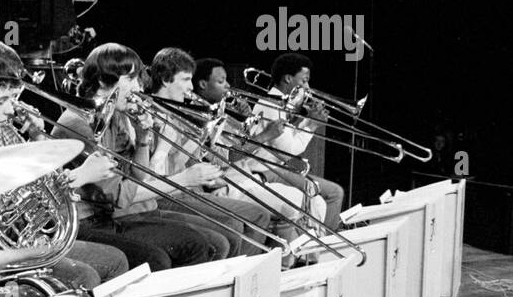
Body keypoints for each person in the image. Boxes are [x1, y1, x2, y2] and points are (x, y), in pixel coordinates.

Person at [0, 45, 126, 297]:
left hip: (18, 243)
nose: (11, 108)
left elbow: (36, 183)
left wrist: (38, 136)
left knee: (114, 262)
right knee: (85, 277)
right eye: (2, 101)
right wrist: (79, 176)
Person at [54, 43, 220, 268]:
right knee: (166, 255)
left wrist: (143, 138)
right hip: (86, 222)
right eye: (130, 79)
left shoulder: (116, 116)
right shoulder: (77, 122)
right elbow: (120, 195)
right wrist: (184, 180)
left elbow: (137, 177)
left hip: (108, 216)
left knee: (209, 242)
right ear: (104, 81)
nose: (138, 88)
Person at [146, 47, 273, 256]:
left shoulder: (182, 112)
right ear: (167, 80)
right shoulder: (152, 113)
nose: (190, 87)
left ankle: (244, 274)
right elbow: (164, 171)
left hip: (187, 189)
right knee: (235, 224)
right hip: (166, 193)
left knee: (258, 214)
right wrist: (199, 136)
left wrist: (206, 134)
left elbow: (186, 161)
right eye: (186, 79)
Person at [192, 56, 327, 241]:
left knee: (314, 201)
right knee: (298, 202)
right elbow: (228, 157)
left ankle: (307, 256)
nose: (228, 86)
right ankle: (294, 261)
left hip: (247, 177)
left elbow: (241, 143)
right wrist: (267, 135)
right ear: (202, 84)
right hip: (232, 183)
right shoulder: (199, 116)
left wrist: (243, 120)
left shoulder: (221, 111)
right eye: (221, 81)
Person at [251, 52, 346, 230]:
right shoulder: (272, 106)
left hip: (274, 168)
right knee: (334, 193)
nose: (308, 87)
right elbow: (290, 151)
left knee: (325, 194)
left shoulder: (281, 104)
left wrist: (306, 120)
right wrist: (312, 124)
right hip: (265, 170)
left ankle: (321, 238)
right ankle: (327, 242)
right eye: (303, 80)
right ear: (288, 79)